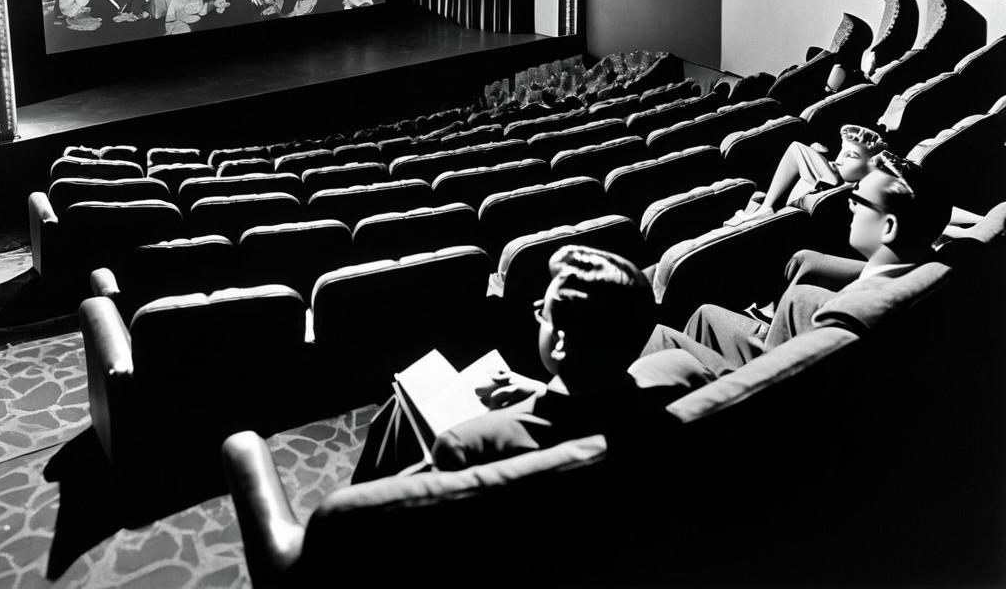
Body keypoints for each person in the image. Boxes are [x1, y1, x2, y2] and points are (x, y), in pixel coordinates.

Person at [352, 247, 708, 481]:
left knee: (399, 409)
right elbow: (603, 413)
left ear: (562, 343)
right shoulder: (683, 370)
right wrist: (543, 392)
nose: (539, 315)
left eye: (545, 312)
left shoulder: (469, 445)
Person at [641, 152, 950, 379]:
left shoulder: (839, 308)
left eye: (858, 200)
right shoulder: (927, 268)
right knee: (705, 315)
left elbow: (767, 382)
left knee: (661, 337)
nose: (850, 206)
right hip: (793, 359)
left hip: (762, 388)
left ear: (889, 227)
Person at [725, 124, 887, 226]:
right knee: (801, 150)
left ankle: (765, 207)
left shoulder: (875, 146)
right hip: (837, 171)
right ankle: (765, 206)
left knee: (796, 148)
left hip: (837, 176)